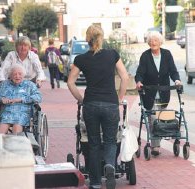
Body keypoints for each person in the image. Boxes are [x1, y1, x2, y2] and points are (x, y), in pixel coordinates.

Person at [67, 25, 129, 189]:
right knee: (110, 140)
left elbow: (70, 82)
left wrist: (81, 99)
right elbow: (124, 77)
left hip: (91, 104)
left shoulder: (81, 59)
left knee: (93, 143)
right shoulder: (112, 55)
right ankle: (109, 164)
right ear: (102, 38)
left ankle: (95, 182)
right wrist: (120, 98)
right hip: (110, 103)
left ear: (87, 39)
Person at [135, 31, 181, 156]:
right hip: (149, 93)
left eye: (155, 40)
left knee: (162, 119)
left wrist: (176, 80)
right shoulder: (145, 56)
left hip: (164, 93)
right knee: (153, 118)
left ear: (160, 42)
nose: (152, 42)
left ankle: (159, 139)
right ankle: (155, 146)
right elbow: (140, 72)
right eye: (150, 40)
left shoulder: (166, 54)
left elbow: (173, 70)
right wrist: (138, 81)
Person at [0, 64, 42, 134]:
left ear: (24, 75)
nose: (17, 76)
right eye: (14, 74)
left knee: (17, 128)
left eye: (20, 74)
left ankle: (15, 143)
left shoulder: (30, 85)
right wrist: (1, 100)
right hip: (7, 112)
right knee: (0, 132)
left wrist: (21, 99)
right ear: (10, 76)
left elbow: (38, 97)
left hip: (23, 112)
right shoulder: (4, 85)